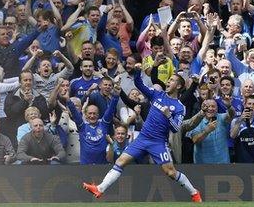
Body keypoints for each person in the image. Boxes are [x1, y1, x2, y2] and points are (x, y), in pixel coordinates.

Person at [81, 68, 202, 203]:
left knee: (171, 172)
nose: (168, 82)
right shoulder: (157, 95)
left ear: (179, 86)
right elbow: (139, 84)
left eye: (172, 80)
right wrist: (137, 72)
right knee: (120, 161)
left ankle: (194, 192)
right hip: (142, 138)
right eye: (168, 80)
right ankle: (100, 189)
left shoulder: (179, 107)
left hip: (158, 142)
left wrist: (168, 116)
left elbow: (175, 129)